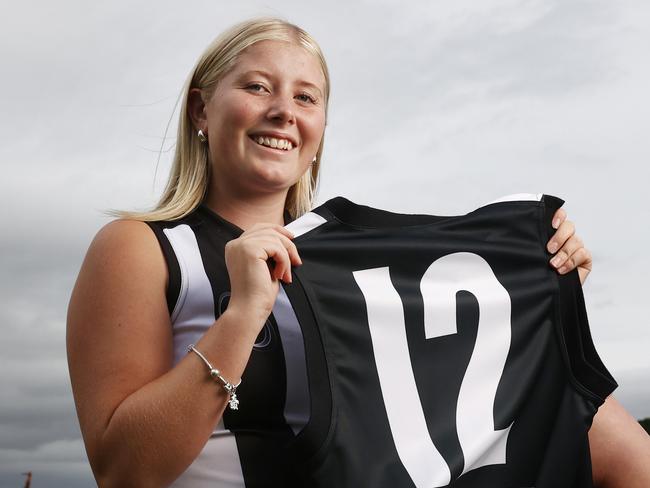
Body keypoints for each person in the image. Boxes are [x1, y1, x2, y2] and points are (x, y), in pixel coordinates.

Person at [66, 17, 650, 488]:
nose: (283, 111)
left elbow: (616, 455)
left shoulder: (358, 273)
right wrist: (242, 317)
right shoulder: (144, 248)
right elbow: (124, 473)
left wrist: (545, 273)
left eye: (306, 97)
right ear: (200, 109)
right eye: (256, 86)